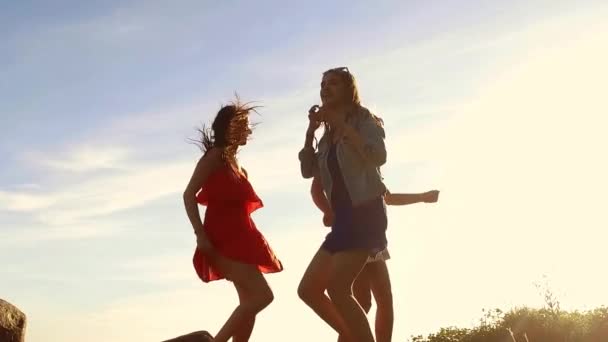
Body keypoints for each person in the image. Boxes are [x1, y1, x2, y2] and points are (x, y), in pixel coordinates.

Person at [297, 66, 387, 342]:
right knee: (308, 290)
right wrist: (311, 132)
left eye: (333, 83)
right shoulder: (326, 135)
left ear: (348, 89)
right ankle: (353, 336)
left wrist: (345, 126)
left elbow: (378, 157)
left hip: (366, 213)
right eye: (323, 84)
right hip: (343, 219)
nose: (325, 88)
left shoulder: (364, 120)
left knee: (338, 288)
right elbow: (307, 171)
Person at [183, 99, 283, 342]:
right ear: (229, 128)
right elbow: (189, 194)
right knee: (262, 297)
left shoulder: (236, 164)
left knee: (249, 303)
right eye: (244, 126)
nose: (248, 131)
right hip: (223, 239)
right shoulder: (215, 157)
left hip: (244, 237)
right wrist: (200, 235)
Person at [311, 175, 439, 342]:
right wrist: (328, 211)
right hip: (358, 234)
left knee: (376, 300)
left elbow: (388, 198)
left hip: (369, 234)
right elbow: (316, 188)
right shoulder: (347, 158)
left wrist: (422, 197)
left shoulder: (366, 166)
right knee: (365, 301)